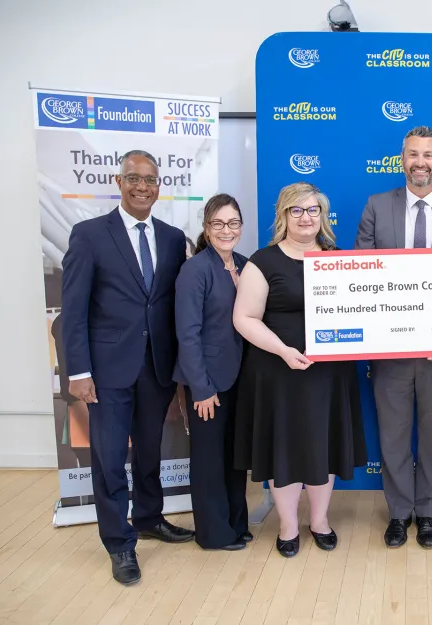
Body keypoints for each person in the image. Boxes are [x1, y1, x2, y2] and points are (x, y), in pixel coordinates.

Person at [61, 150, 193, 586]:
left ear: (159, 186)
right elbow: (74, 309)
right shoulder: (89, 234)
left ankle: (150, 517)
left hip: (155, 368)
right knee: (110, 460)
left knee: (151, 452)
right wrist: (78, 371)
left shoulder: (174, 239)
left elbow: (175, 306)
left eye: (150, 180)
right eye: (133, 178)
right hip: (106, 371)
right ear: (119, 182)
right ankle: (120, 543)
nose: (142, 187)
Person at [354, 125, 432, 549]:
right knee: (391, 433)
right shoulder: (376, 206)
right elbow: (363, 277)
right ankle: (398, 512)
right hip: (389, 351)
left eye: (428, 155)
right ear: (401, 159)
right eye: (413, 154)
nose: (420, 162)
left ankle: (427, 512)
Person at [233, 182, 367, 558]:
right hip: (279, 372)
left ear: (322, 216)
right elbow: (243, 318)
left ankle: (320, 521)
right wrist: (282, 350)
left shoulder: (339, 259)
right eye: (297, 210)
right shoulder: (263, 261)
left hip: (329, 374)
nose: (305, 218)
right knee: (285, 450)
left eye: (312, 210)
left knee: (322, 447)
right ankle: (288, 526)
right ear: (283, 216)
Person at [173, 194, 251, 551]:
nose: (226, 230)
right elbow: (187, 334)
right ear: (206, 228)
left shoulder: (245, 265)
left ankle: (237, 524)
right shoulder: (196, 269)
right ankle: (213, 533)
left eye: (232, 223)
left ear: (241, 227)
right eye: (218, 223)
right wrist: (201, 389)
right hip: (207, 382)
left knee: (234, 459)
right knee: (209, 461)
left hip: (239, 380)